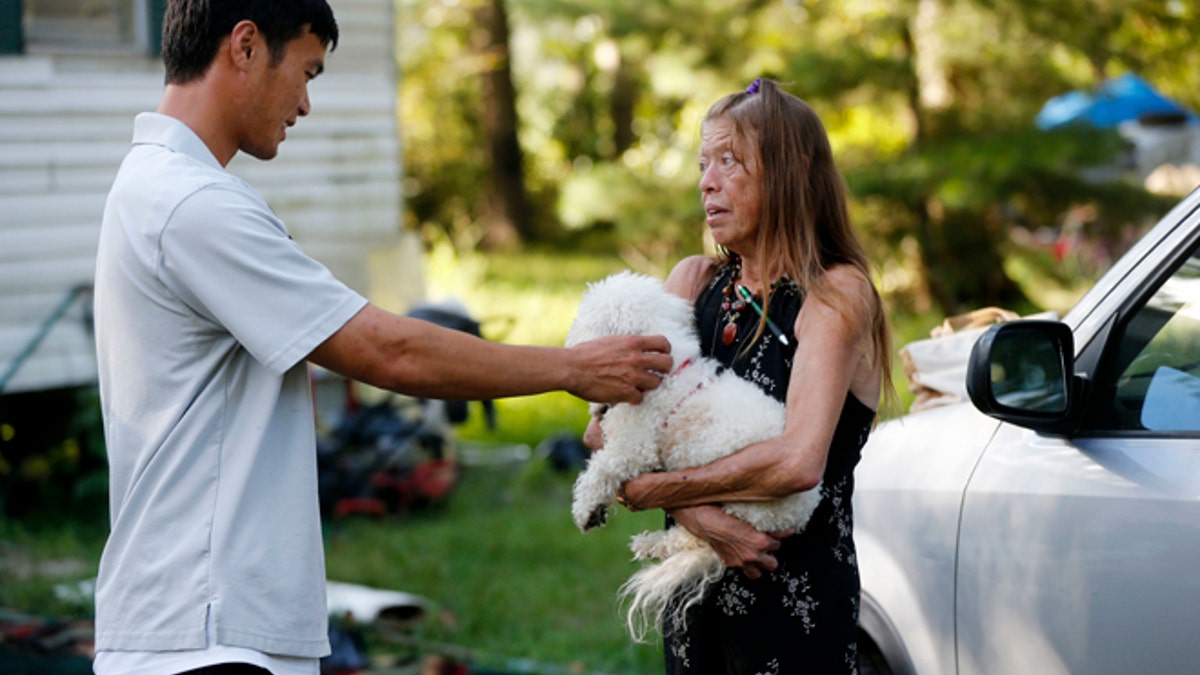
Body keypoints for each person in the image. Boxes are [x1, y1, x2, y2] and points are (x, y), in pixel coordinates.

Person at [89, 2, 672, 674]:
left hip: (196, 618)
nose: (305, 104)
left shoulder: (152, 186)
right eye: (306, 72)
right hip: (209, 632)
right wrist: (572, 368)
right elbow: (381, 349)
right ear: (245, 46)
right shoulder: (192, 203)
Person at [584, 78, 893, 673]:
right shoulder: (693, 282)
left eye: (729, 161)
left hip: (793, 602)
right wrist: (701, 517)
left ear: (791, 172)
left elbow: (797, 462)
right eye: (703, 163)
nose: (706, 181)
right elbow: (602, 429)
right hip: (694, 596)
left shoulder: (835, 294)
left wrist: (653, 490)